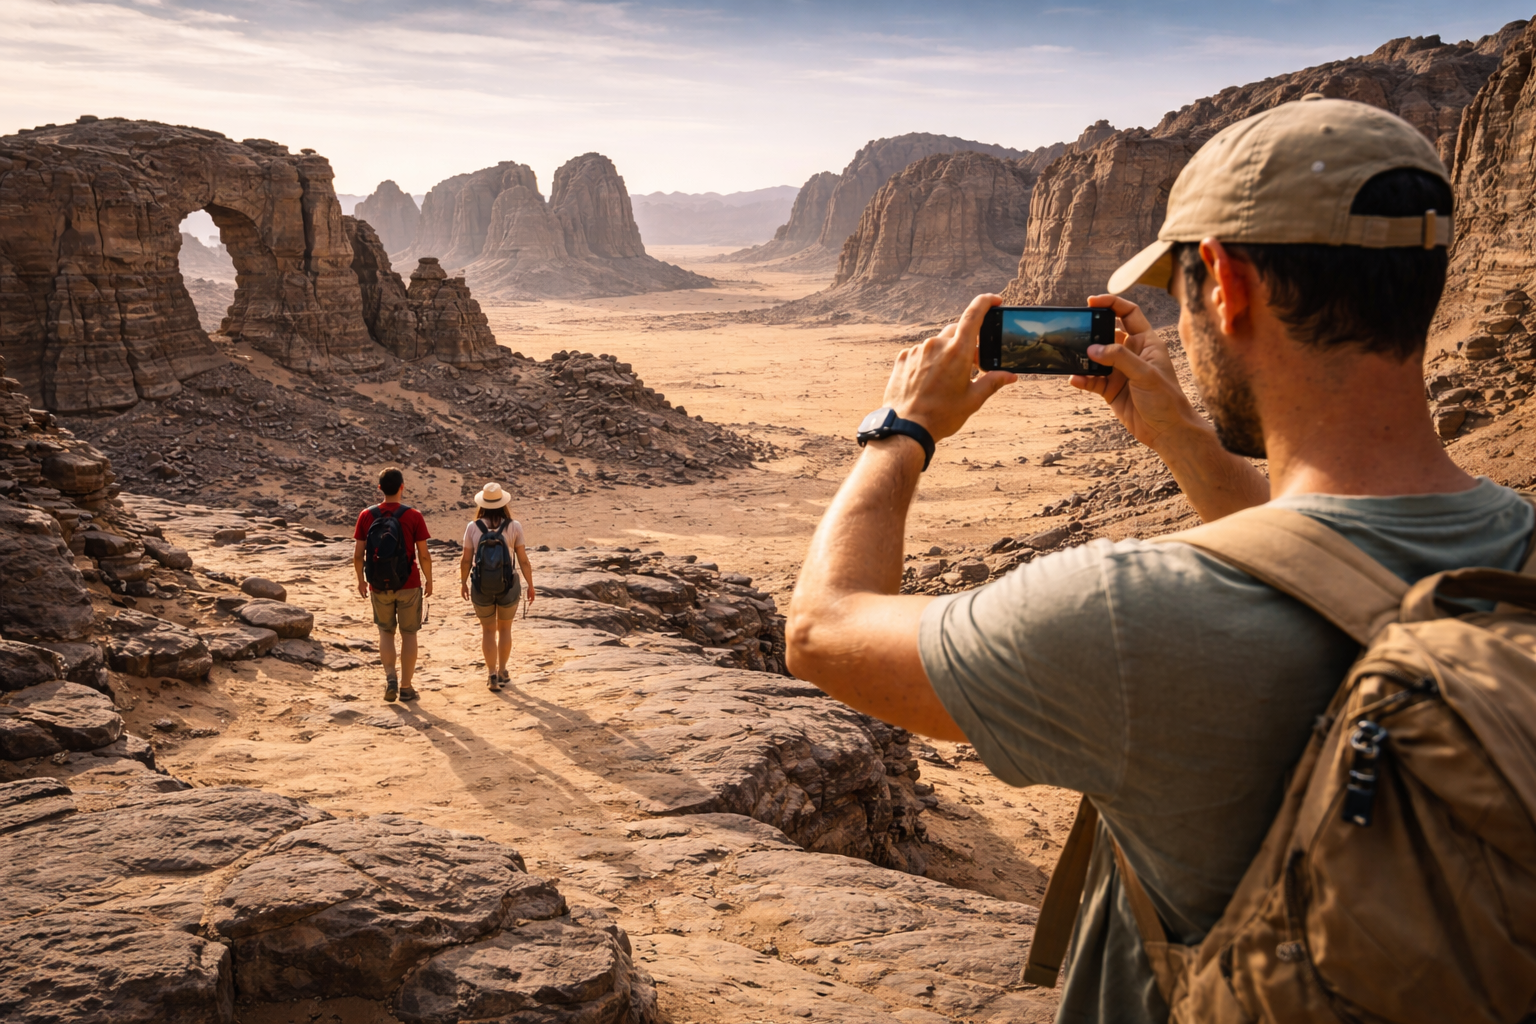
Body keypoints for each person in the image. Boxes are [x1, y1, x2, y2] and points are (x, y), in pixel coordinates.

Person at [785, 97, 1534, 1024]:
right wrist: (1188, 441)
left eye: (1178, 291)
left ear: (1224, 284)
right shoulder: (1521, 553)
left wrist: (901, 429)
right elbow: (1324, 563)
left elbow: (823, 629)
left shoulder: (1133, 615)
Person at [353, 467, 433, 702]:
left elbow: (358, 555)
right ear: (402, 487)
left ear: (380, 489)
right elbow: (424, 554)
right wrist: (429, 580)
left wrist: (361, 580)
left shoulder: (366, 515)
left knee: (386, 632)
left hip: (378, 584)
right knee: (409, 634)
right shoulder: (413, 516)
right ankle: (406, 687)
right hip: (409, 583)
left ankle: (391, 678)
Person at [459, 481, 535, 691]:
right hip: (508, 585)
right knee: (505, 628)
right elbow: (523, 560)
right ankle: (502, 670)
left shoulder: (472, 528)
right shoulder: (514, 526)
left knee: (488, 630)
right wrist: (530, 584)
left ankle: (491, 674)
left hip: (481, 587)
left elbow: (466, 560)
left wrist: (463, 582)